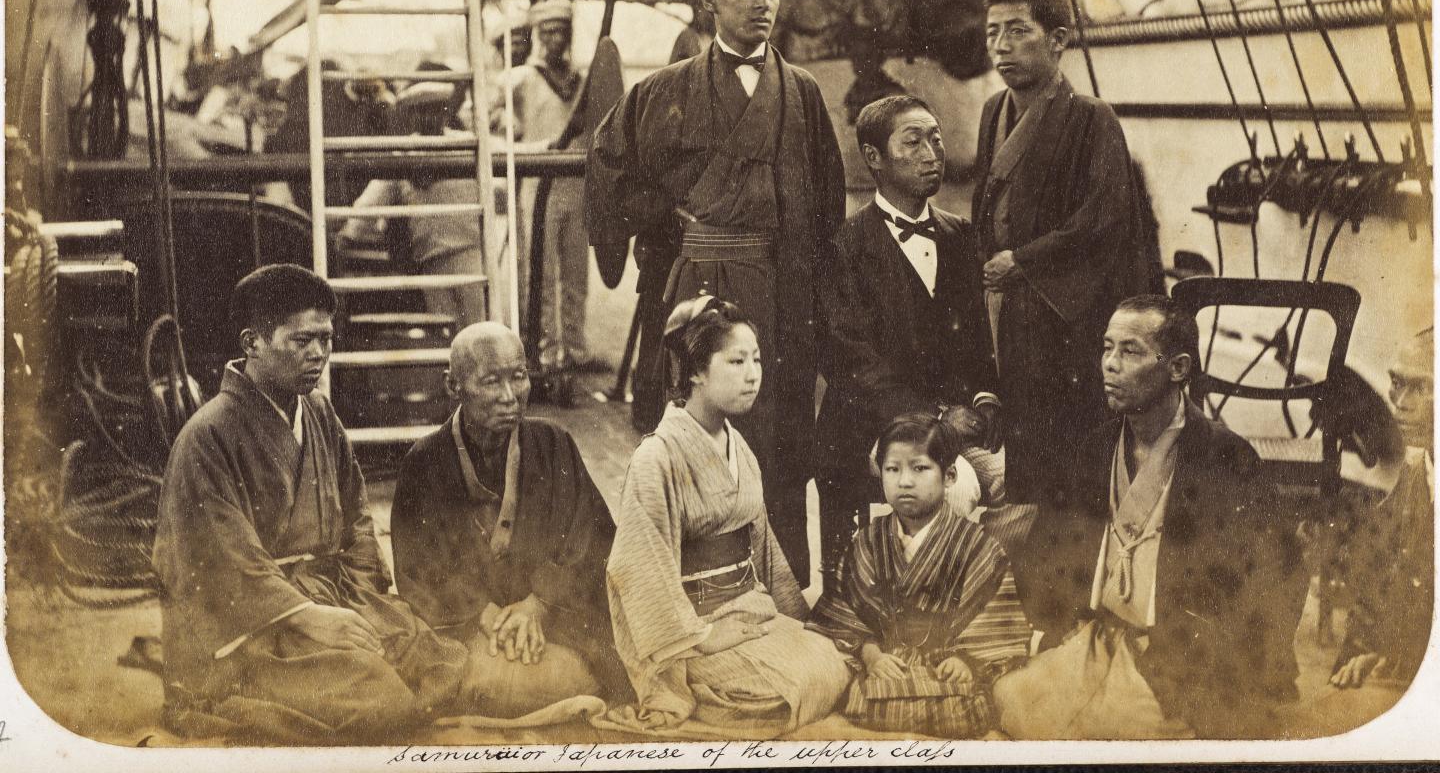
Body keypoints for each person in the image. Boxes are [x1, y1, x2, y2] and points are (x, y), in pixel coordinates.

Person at [586, 0, 846, 584]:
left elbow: (828, 200)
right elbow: (611, 169)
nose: (763, 4)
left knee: (777, 436)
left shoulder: (802, 93)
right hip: (693, 287)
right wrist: (664, 221)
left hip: (776, 294)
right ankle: (689, 586)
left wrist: (807, 290)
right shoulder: (663, 90)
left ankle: (780, 594)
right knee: (691, 432)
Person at [151, 265, 472, 742]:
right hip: (254, 625)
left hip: (332, 595)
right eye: (301, 341)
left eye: (326, 338)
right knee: (383, 699)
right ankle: (233, 695)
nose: (318, 354)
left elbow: (357, 518)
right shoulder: (207, 436)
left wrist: (361, 600)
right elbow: (224, 561)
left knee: (440, 666)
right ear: (252, 342)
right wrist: (309, 617)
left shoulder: (319, 411)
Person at [995, 295, 1303, 740]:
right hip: (1098, 639)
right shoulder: (1095, 447)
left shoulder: (1224, 456)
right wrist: (1056, 631)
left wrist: (1220, 665)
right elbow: (1047, 550)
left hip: (1183, 659)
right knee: (1010, 701)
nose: (1109, 365)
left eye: (1130, 351)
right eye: (1106, 347)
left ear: (1177, 368)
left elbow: (1278, 580)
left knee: (1111, 734)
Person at [604, 297, 850, 732]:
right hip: (691, 632)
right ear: (696, 371)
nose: (753, 374)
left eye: (756, 359)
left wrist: (791, 616)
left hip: (746, 613)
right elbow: (638, 566)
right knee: (787, 689)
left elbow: (763, 549)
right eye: (736, 361)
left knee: (832, 664)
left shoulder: (740, 448)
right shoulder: (657, 457)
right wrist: (702, 637)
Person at [971, 0, 1158, 513]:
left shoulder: (1091, 119)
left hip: (1068, 320)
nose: (1001, 46)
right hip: (1013, 314)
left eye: (1017, 31)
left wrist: (1023, 261)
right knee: (1025, 457)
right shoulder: (992, 112)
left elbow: (1103, 219)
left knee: (1077, 463)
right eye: (992, 33)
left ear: (1058, 40)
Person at [389, 321, 631, 716]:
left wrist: (537, 605)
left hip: (554, 616)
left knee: (593, 667)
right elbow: (417, 570)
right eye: (490, 382)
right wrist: (488, 616)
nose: (509, 397)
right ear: (453, 386)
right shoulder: (424, 461)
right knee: (466, 678)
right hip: (469, 624)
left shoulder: (554, 445)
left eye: (518, 377)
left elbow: (595, 539)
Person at [816, 95, 999, 584]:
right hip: (872, 424)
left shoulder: (959, 235)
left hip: (955, 424)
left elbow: (978, 343)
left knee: (1017, 482)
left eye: (936, 139)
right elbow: (853, 361)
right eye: (912, 141)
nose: (931, 153)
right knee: (952, 494)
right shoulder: (845, 245)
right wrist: (937, 421)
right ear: (874, 158)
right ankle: (916, 617)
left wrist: (985, 401)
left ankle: (976, 607)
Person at [807, 413, 1031, 738]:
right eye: (892, 469)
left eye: (920, 468)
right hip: (886, 666)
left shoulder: (978, 546)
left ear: (950, 475)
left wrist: (966, 662)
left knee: (973, 706)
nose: (905, 481)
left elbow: (995, 622)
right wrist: (872, 657)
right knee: (858, 697)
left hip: (950, 670)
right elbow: (847, 615)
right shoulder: (869, 541)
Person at [1301, 328, 1433, 734]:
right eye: (1396, 383)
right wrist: (1366, 652)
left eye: (1422, 388)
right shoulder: (1415, 474)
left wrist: (1397, 659)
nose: (1400, 404)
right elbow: (1377, 594)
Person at [339, 77, 487, 326]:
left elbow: (500, 164)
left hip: (469, 252)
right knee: (445, 328)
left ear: (445, 112)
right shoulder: (405, 153)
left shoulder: (466, 145)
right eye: (421, 111)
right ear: (412, 116)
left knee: (479, 325)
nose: (429, 118)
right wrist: (349, 231)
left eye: (435, 110)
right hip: (431, 257)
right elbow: (374, 198)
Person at [509, 0, 597, 375]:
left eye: (561, 31)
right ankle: (544, 350)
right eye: (547, 32)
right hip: (537, 182)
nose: (554, 38)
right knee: (539, 272)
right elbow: (496, 131)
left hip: (576, 184)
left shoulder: (582, 82)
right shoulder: (521, 79)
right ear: (538, 35)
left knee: (576, 271)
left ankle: (575, 349)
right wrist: (528, 147)